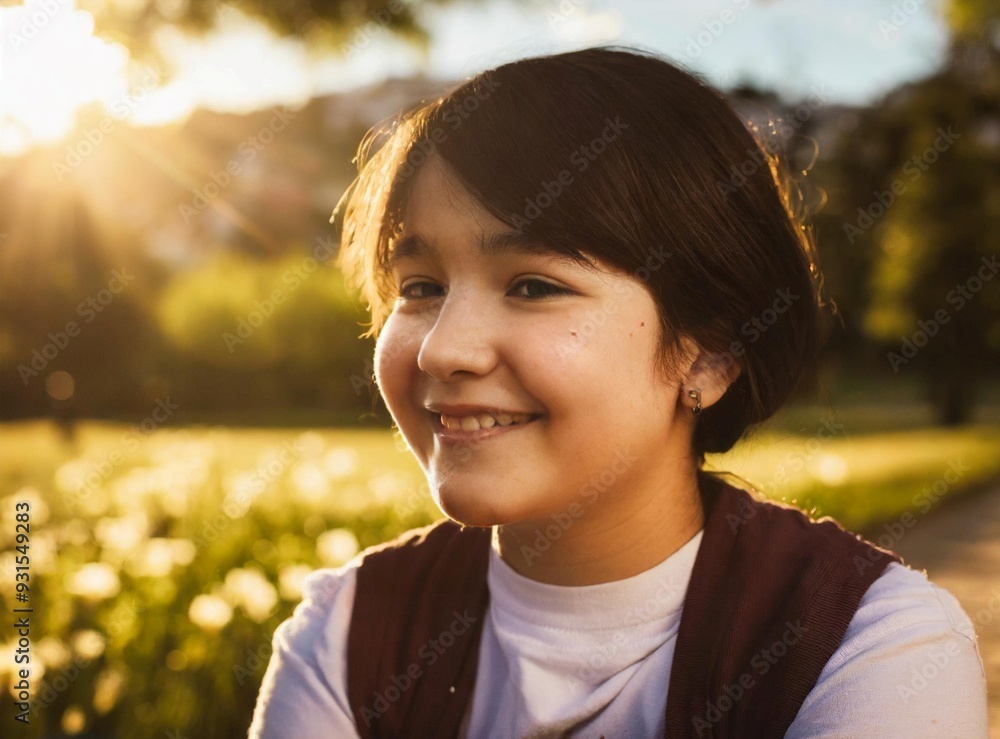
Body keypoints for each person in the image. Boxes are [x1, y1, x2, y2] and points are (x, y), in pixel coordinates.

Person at [248, 46, 988, 738]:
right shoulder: (345, 635)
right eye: (420, 287)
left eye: (534, 285)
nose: (444, 348)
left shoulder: (869, 645)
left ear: (711, 353)